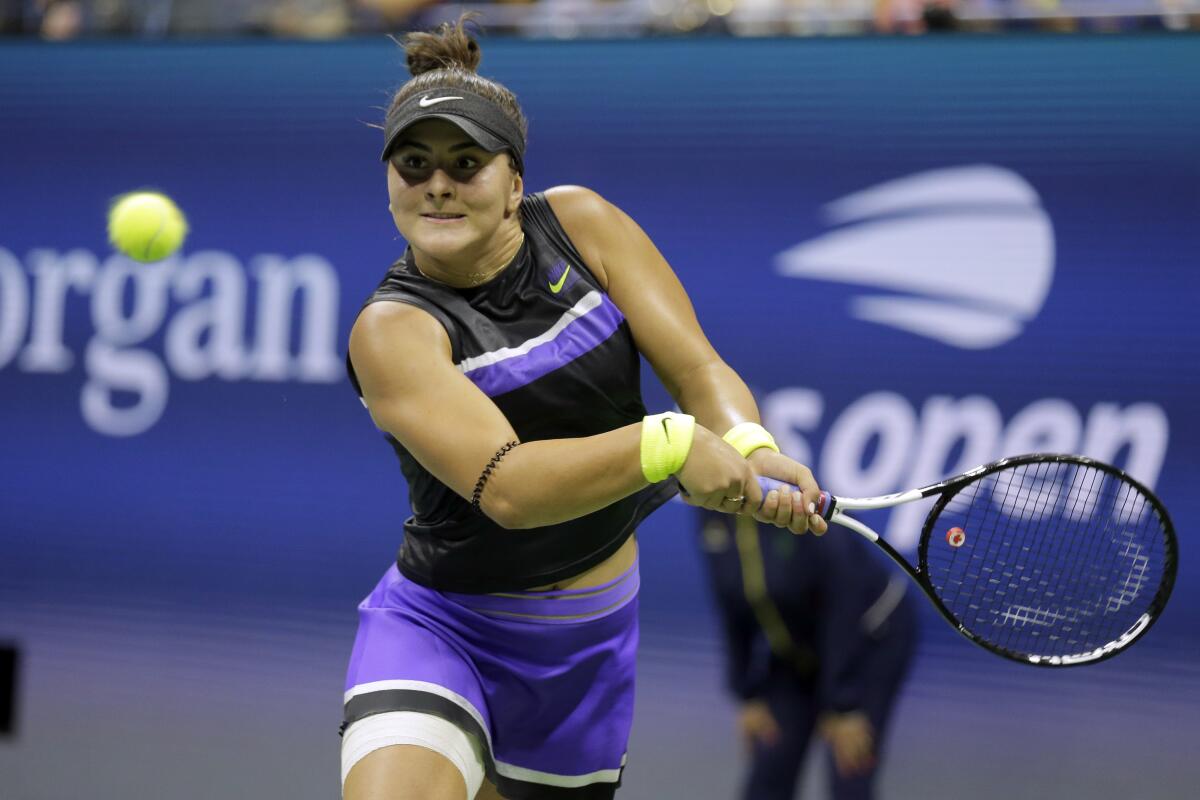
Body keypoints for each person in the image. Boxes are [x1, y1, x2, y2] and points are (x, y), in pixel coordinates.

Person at [339, 15, 829, 800]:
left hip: (584, 649)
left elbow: (699, 367)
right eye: (413, 164)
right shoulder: (392, 329)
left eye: (467, 163)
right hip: (443, 629)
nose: (437, 183)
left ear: (515, 182)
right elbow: (510, 487)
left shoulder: (582, 226)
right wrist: (668, 445)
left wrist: (748, 442)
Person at [697, 509, 918, 800]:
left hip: (868, 643)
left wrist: (843, 703)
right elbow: (729, 598)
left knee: (848, 774)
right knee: (768, 773)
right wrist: (747, 692)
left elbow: (844, 601)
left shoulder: (794, 500)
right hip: (798, 651)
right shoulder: (708, 504)